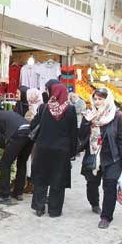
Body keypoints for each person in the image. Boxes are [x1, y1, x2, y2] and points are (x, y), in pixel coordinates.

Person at [79, 87, 122, 229]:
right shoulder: (89, 115)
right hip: (93, 155)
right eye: (95, 99)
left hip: (111, 157)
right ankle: (94, 204)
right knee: (92, 183)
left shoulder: (116, 116)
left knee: (110, 186)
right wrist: (86, 121)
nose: (97, 102)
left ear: (107, 100)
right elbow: (81, 136)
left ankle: (106, 217)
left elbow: (121, 139)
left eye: (100, 99)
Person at [30, 82, 78, 217]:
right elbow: (73, 132)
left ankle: (39, 207)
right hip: (61, 151)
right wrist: (73, 152)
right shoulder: (70, 109)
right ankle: (54, 210)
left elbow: (34, 125)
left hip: (43, 148)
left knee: (41, 178)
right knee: (58, 180)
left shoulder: (44, 107)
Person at [0, 111, 32, 205]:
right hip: (30, 133)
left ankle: (4, 195)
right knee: (22, 162)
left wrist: (3, 148)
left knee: (4, 164)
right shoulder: (4, 114)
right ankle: (18, 193)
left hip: (18, 134)